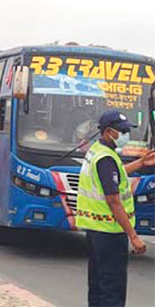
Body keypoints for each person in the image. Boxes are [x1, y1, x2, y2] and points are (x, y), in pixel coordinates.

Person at [77, 110, 155, 307]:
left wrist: (140, 163)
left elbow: (116, 173)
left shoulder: (97, 151)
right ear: (108, 132)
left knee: (97, 287)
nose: (126, 135)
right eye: (122, 131)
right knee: (112, 290)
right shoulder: (105, 158)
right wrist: (133, 235)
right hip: (110, 233)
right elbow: (113, 201)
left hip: (96, 231)